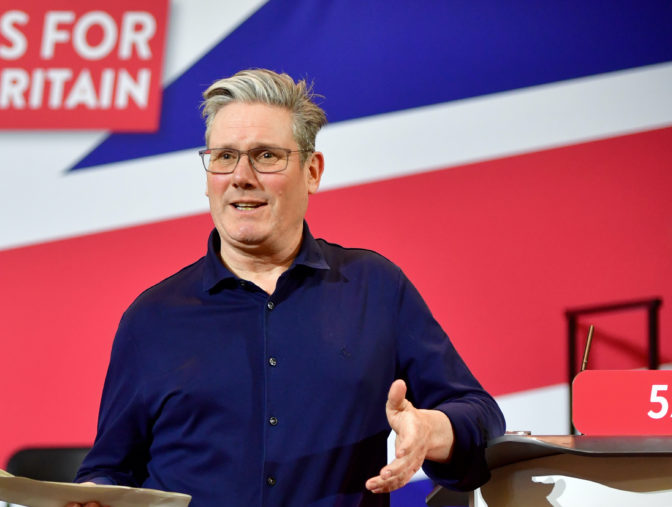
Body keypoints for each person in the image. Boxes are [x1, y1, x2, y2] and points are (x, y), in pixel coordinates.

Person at [68, 68, 505, 506]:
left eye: (265, 156)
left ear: (312, 171)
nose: (241, 176)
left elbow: (480, 414)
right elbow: (109, 470)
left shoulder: (375, 287)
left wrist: (431, 431)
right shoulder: (152, 317)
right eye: (224, 156)